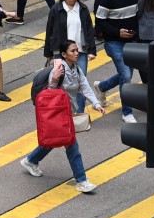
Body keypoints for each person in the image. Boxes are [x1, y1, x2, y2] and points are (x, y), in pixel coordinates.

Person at [21, 39, 105, 191]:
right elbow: (49, 94)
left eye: (77, 50)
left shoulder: (77, 69)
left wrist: (96, 103)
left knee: (55, 139)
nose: (76, 53)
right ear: (64, 54)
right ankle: (82, 181)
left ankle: (31, 160)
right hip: (57, 113)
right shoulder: (58, 70)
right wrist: (53, 80)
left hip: (68, 112)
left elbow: (85, 87)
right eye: (72, 51)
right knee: (72, 146)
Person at [94, 0, 142, 123]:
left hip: (132, 42)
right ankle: (127, 112)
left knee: (124, 75)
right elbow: (100, 22)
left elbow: (137, 17)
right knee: (126, 75)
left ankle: (102, 87)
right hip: (114, 43)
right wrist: (117, 32)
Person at [45, 0, 96, 110]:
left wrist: (92, 51)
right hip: (60, 53)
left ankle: (79, 113)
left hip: (80, 52)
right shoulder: (56, 9)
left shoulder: (83, 9)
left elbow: (89, 31)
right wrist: (49, 53)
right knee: (60, 82)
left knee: (80, 83)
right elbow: (49, 31)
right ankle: (63, 112)